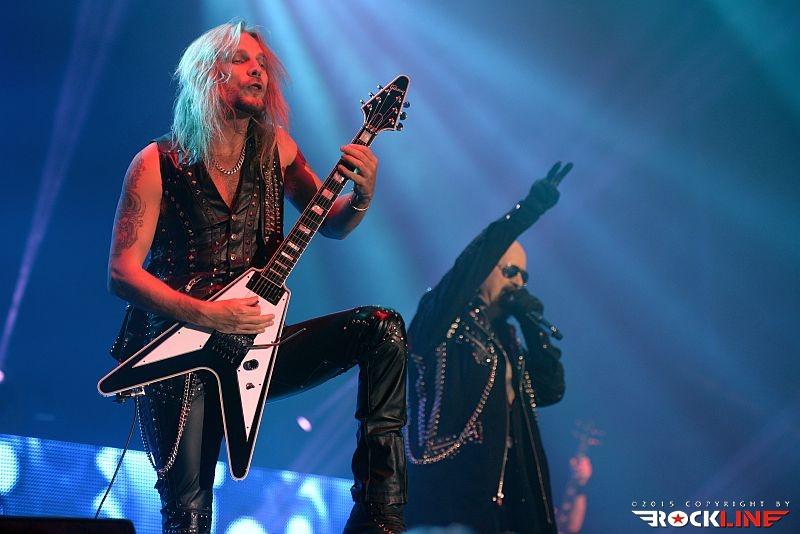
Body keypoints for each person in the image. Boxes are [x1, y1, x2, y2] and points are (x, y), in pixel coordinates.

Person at [107, 21, 406, 534]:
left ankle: (380, 512)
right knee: (189, 514)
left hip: (255, 345)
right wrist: (209, 314)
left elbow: (329, 222)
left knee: (382, 329)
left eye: (263, 64)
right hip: (176, 354)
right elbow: (121, 273)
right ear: (207, 73)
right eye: (242, 60)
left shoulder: (278, 149)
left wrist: (362, 196)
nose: (258, 72)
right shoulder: (156, 163)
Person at [405, 163, 572, 533]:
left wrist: (530, 325)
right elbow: (472, 261)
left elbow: (550, 390)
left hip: (507, 504)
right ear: (485, 272)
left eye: (525, 276)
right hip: (449, 496)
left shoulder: (506, 339)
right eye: (510, 271)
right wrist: (528, 211)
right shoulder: (442, 316)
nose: (518, 282)